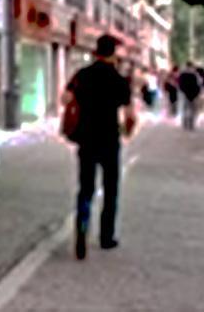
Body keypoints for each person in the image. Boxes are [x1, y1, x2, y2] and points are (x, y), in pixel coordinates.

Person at [62, 34, 136, 260]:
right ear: (113, 54)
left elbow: (65, 98)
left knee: (86, 187)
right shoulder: (119, 80)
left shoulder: (82, 75)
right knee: (111, 188)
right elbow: (130, 115)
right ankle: (106, 236)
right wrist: (127, 132)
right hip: (109, 139)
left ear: (96, 51)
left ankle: (82, 228)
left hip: (86, 138)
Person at [178, 62, 201, 131]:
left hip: (185, 94)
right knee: (192, 109)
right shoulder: (194, 75)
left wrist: (183, 91)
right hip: (192, 95)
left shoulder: (182, 74)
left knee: (185, 109)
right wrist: (197, 94)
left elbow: (180, 84)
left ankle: (185, 123)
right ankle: (191, 124)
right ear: (191, 66)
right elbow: (198, 85)